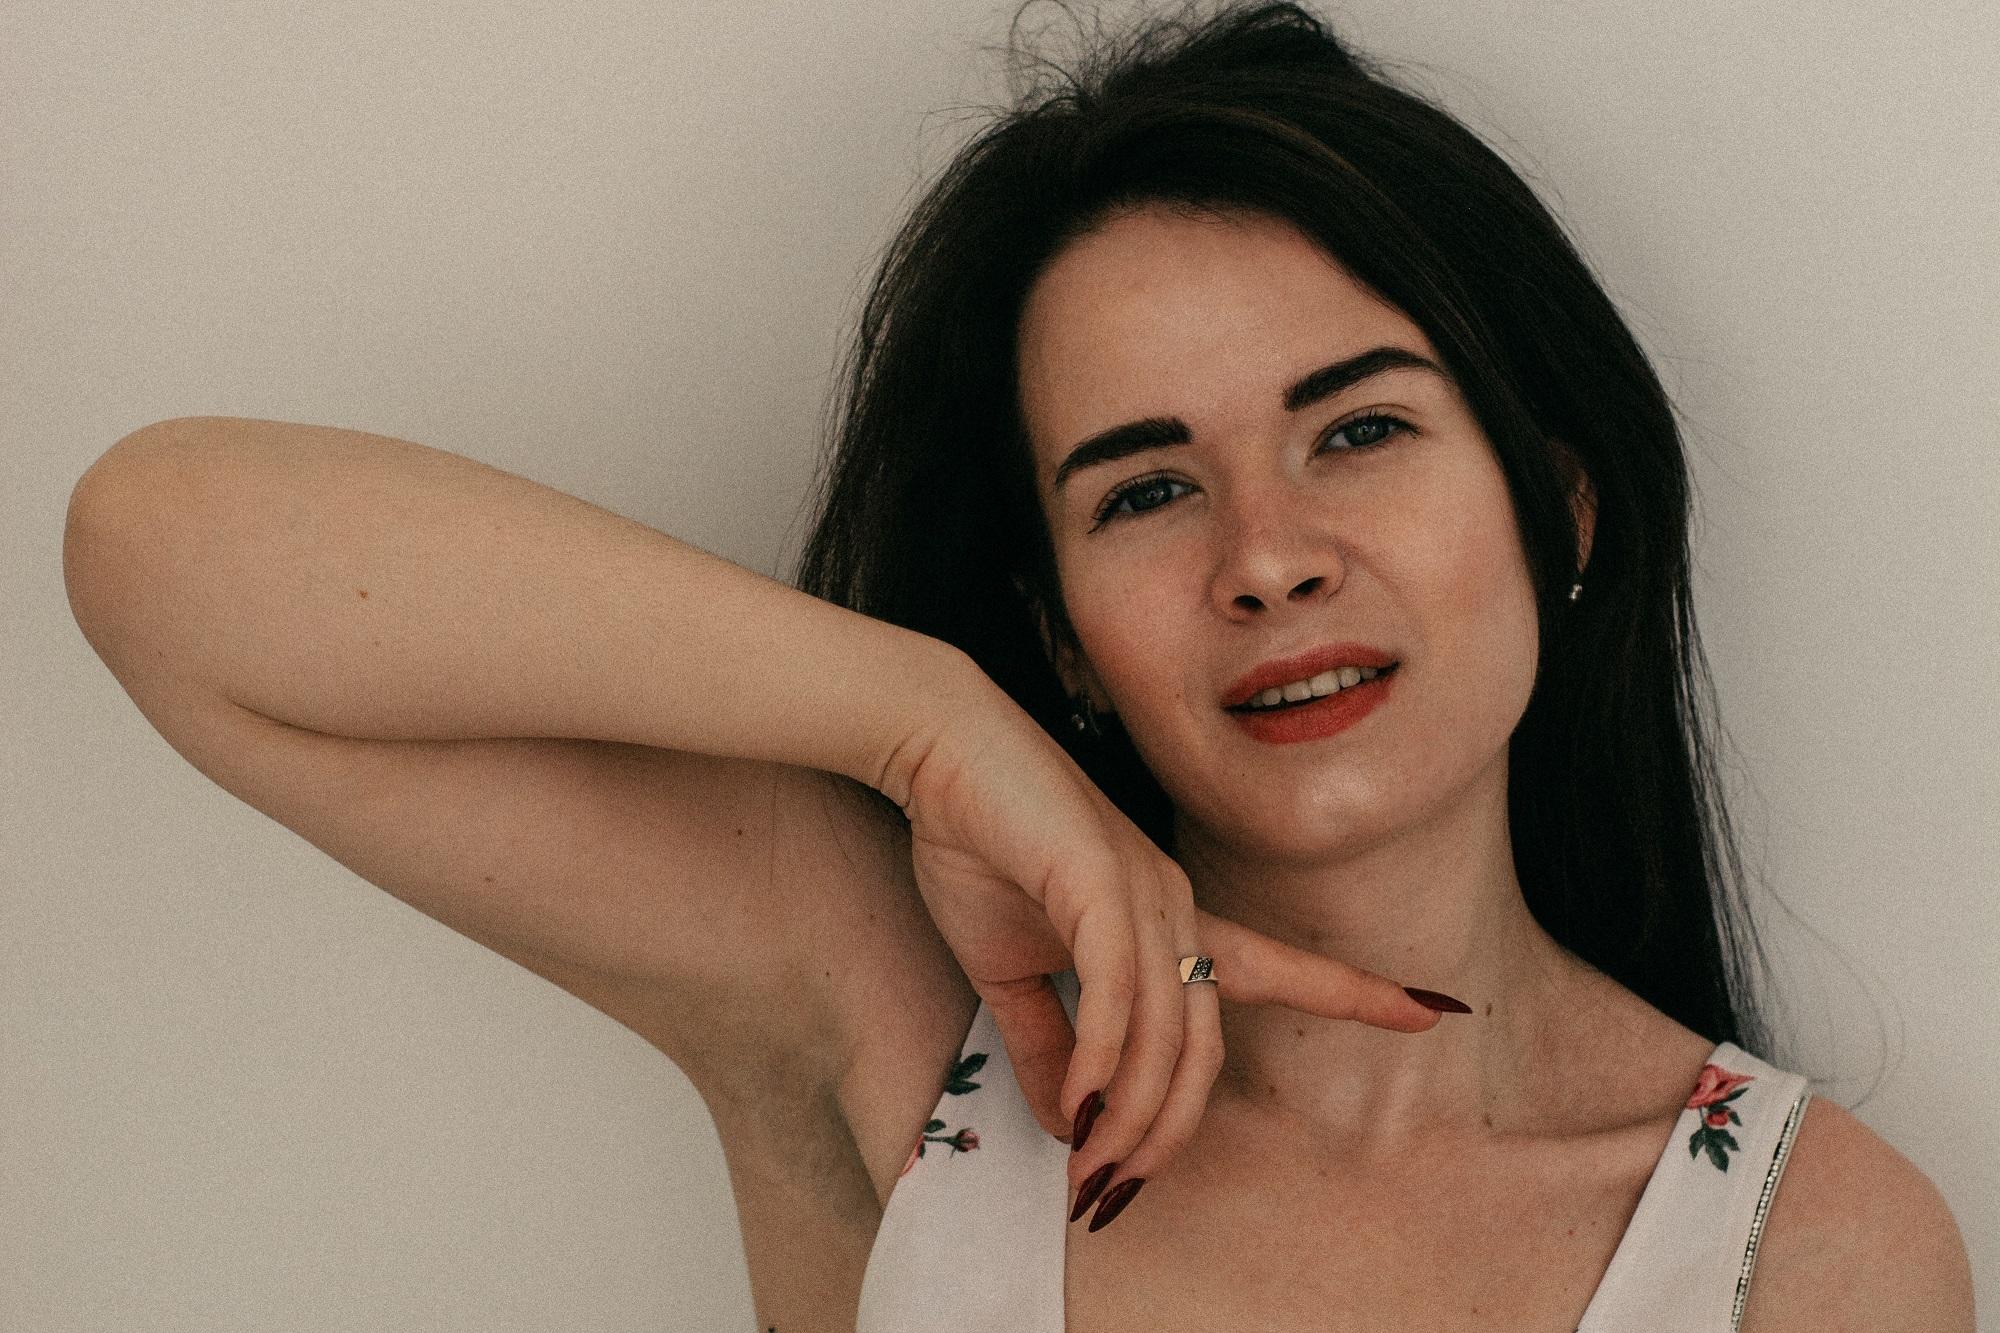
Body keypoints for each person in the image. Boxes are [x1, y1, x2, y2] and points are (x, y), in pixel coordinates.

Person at [61, 1, 1973, 1328]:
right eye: (1145, 488)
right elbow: (163, 551)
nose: (1269, 553)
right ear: (1059, 627)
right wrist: (926, 724)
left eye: (1361, 428)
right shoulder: (893, 1021)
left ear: (1560, 509)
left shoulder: (1810, 1248)